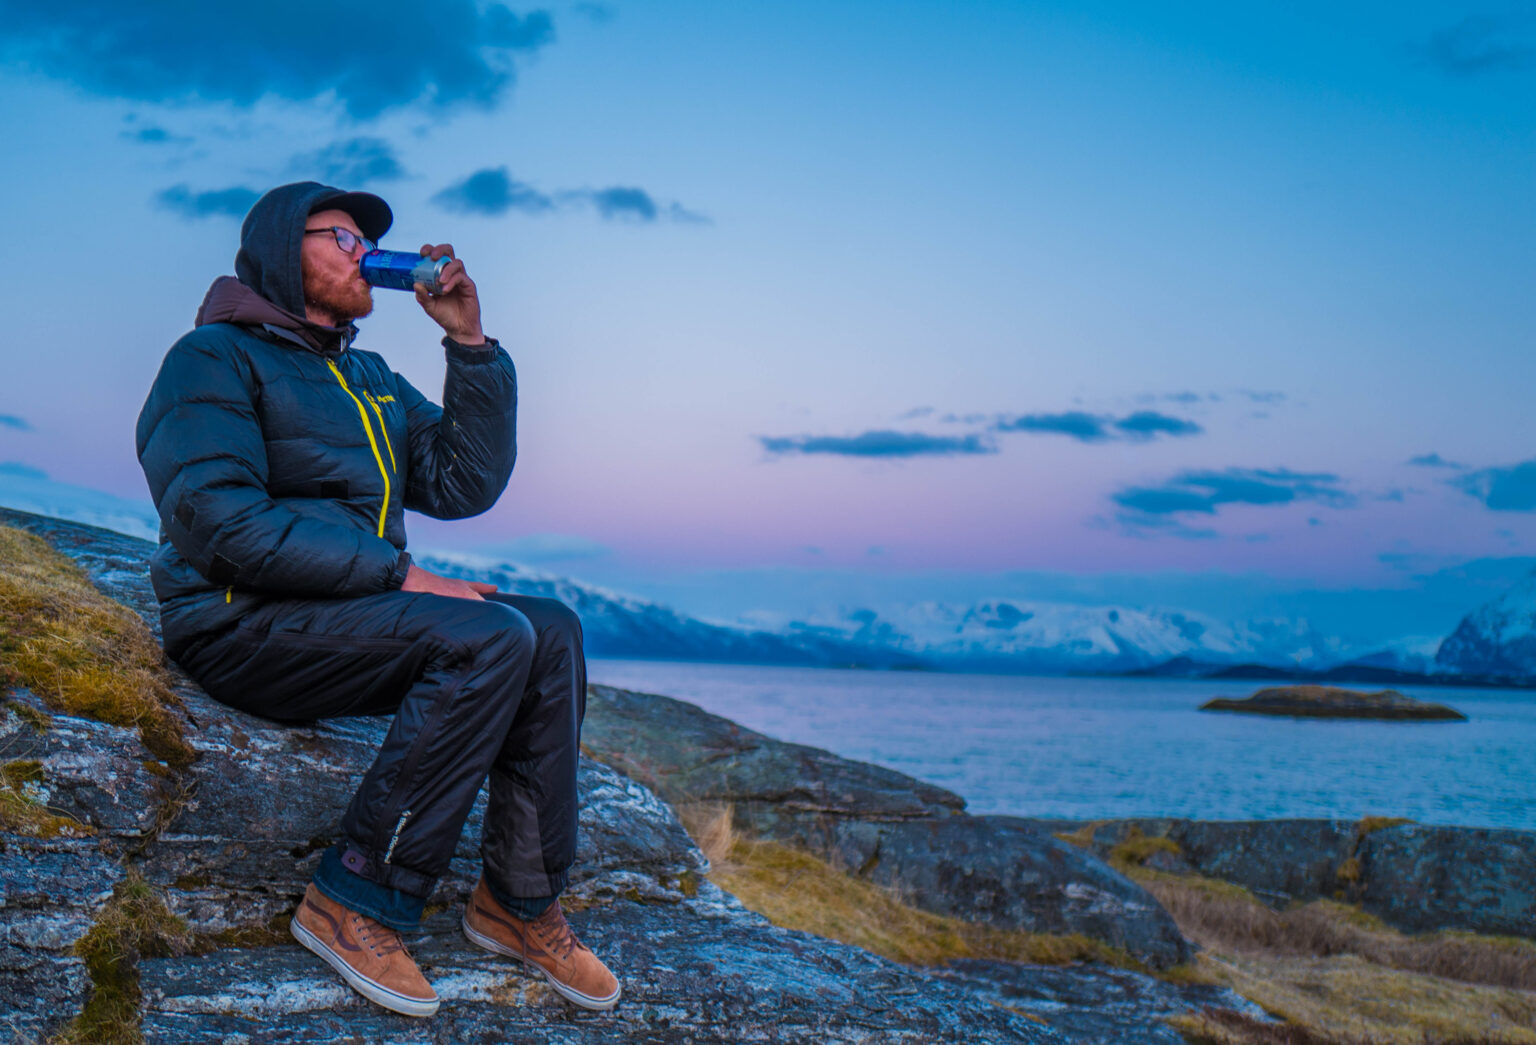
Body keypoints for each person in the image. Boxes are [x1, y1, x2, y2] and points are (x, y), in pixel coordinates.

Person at [135, 182, 619, 1017]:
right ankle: (355, 899)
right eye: (345, 240)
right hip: (238, 620)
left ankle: (519, 901)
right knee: (488, 637)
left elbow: (463, 480)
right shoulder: (210, 359)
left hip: (339, 614)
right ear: (289, 249)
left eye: (369, 244)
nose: (368, 257)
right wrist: (400, 575)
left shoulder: (369, 376)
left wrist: (469, 345)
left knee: (549, 628)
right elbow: (222, 521)